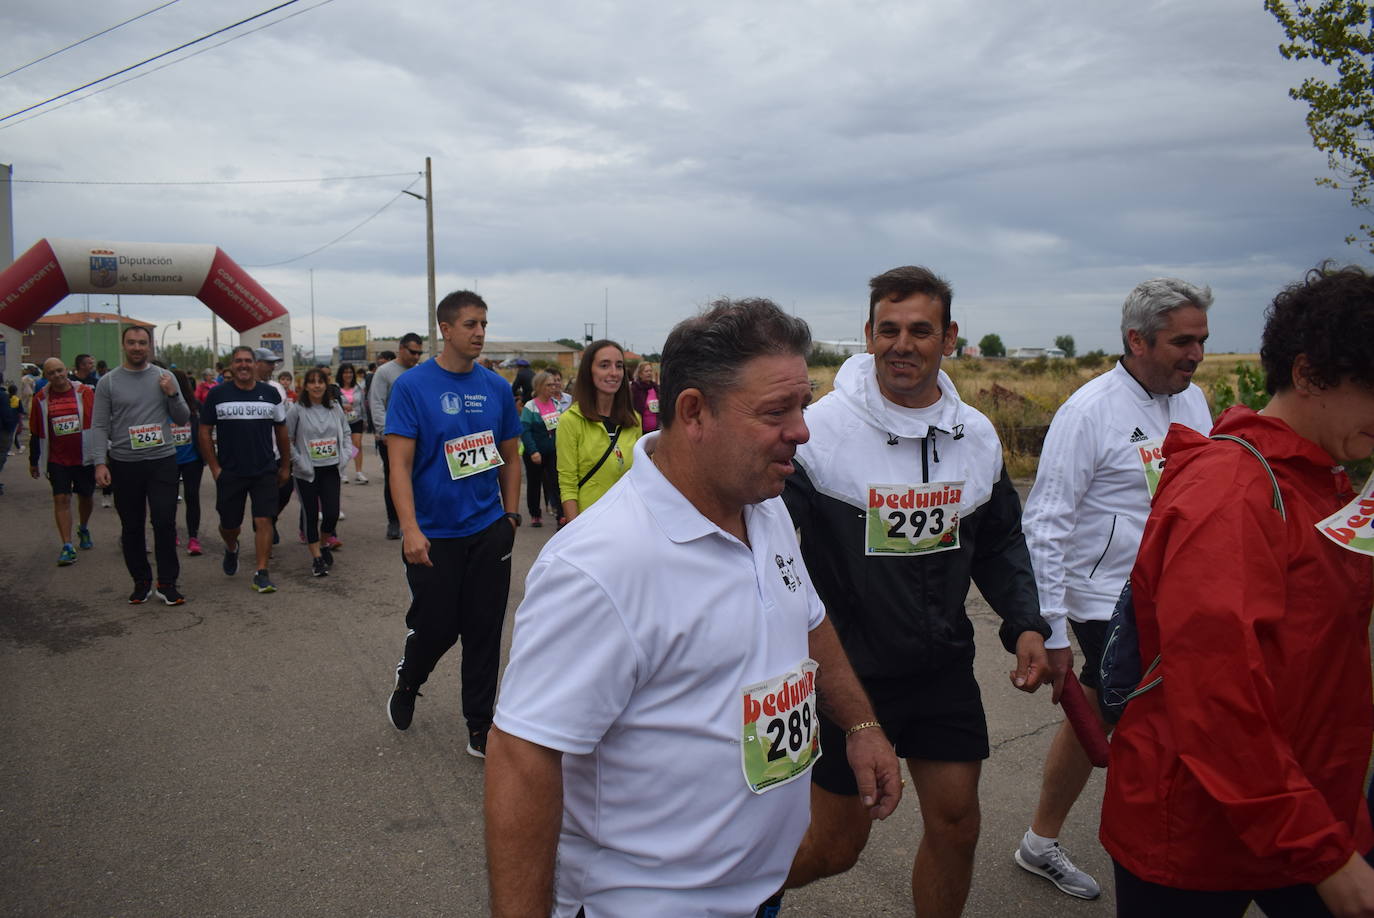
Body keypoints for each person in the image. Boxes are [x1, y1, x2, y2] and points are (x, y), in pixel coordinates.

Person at [486, 297, 903, 917]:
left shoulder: (768, 508)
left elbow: (809, 623)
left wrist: (861, 726)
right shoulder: (599, 566)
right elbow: (524, 758)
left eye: (803, 405)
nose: (802, 430)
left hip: (758, 892)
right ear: (693, 412)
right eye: (776, 412)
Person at [1102, 264, 1374, 918]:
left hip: (1307, 804)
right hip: (1198, 832)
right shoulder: (1232, 495)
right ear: (1308, 375)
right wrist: (1322, 852)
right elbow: (1216, 690)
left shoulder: (1326, 478)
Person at [780, 265, 1050, 917]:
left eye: (921, 330)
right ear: (868, 335)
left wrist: (1026, 622)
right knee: (834, 848)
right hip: (850, 674)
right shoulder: (819, 435)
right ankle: (709, 893)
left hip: (941, 668)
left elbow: (1001, 541)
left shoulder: (978, 436)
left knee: (958, 826)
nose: (904, 344)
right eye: (889, 330)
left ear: (949, 337)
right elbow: (773, 555)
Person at [1013, 278, 1213, 899]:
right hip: (1103, 603)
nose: (1196, 354)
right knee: (1150, 737)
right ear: (1137, 339)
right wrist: (1051, 629)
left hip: (1173, 595)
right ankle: (1163, 862)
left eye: (1203, 340)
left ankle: (1039, 843)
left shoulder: (1194, 401)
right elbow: (1045, 521)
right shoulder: (1089, 411)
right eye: (1183, 341)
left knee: (1097, 718)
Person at [384, 291, 521, 755]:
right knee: (439, 626)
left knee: (485, 628)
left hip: (487, 529)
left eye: (484, 323)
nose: (480, 332)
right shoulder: (412, 387)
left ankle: (480, 724)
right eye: (470, 324)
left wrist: (511, 515)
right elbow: (398, 465)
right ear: (445, 329)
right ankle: (409, 681)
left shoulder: (497, 388)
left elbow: (511, 457)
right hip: (434, 534)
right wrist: (410, 529)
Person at [92, 326, 190, 605]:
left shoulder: (165, 377)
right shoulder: (108, 382)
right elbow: (98, 425)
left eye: (142, 343)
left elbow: (183, 418)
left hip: (162, 461)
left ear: (150, 347)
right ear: (123, 345)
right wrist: (100, 463)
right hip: (125, 463)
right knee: (132, 526)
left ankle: (167, 583)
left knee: (164, 522)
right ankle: (141, 581)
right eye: (132, 342)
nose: (137, 347)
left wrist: (172, 394)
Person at [199, 345, 291, 594]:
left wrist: (285, 465)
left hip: (263, 470)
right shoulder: (217, 394)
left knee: (264, 520)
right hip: (231, 472)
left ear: (255, 364)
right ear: (231, 365)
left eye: (248, 361)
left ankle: (262, 572)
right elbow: (204, 431)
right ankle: (231, 547)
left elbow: (282, 431)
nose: (243, 365)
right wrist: (215, 467)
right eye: (238, 361)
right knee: (230, 525)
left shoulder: (270, 394)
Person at [556, 340, 641, 521]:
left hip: (629, 521)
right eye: (604, 365)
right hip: (590, 524)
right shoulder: (570, 421)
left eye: (619, 366)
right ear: (589, 371)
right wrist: (575, 533)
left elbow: (639, 479)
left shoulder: (634, 421)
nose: (614, 373)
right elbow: (567, 484)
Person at [28, 357, 97, 565]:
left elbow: (98, 422)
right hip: (57, 458)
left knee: (86, 497)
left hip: (84, 456)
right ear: (46, 376)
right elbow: (35, 432)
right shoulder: (41, 398)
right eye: (51, 373)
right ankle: (67, 545)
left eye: (59, 370)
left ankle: (83, 528)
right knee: (61, 499)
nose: (57, 375)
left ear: (66, 370)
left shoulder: (84, 392)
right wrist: (34, 460)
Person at [286, 367, 351, 578]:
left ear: (326, 384)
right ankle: (316, 559)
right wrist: (298, 462)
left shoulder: (334, 408)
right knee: (311, 514)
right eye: (312, 382)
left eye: (320, 381)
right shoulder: (297, 409)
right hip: (307, 472)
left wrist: (345, 454)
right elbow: (286, 439)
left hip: (331, 468)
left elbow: (346, 432)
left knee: (331, 514)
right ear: (305, 386)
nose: (316, 385)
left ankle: (323, 545)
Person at [369, 336, 422, 540]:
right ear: (401, 349)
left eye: (419, 353)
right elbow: (377, 402)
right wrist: (385, 432)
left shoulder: (419, 371)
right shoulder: (385, 372)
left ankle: (416, 517)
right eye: (412, 352)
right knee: (395, 476)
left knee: (418, 476)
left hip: (417, 436)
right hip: (393, 436)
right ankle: (394, 520)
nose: (416, 357)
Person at [519, 370, 563, 528]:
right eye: (549, 385)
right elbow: (525, 430)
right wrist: (533, 451)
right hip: (535, 453)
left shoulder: (557, 404)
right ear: (538, 386)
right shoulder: (530, 407)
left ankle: (561, 515)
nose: (553, 387)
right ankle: (535, 514)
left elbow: (561, 429)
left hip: (553, 452)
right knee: (534, 484)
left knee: (557, 483)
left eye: (554, 384)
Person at [170, 369, 206, 557]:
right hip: (168, 459)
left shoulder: (195, 406)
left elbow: (205, 429)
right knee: (169, 498)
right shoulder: (161, 404)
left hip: (192, 458)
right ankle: (172, 532)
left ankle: (193, 538)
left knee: (192, 496)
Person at [335, 362, 368, 484]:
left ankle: (359, 472)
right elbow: (332, 404)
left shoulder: (358, 387)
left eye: (350, 372)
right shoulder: (335, 387)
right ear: (341, 374)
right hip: (341, 421)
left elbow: (363, 404)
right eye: (345, 372)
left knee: (357, 444)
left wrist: (365, 419)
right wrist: (343, 406)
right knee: (343, 446)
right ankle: (342, 471)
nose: (348, 375)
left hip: (357, 419)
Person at [630, 360, 661, 433]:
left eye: (650, 371)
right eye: (646, 371)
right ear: (640, 374)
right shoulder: (635, 388)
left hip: (656, 429)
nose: (649, 373)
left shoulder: (655, 387)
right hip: (640, 429)